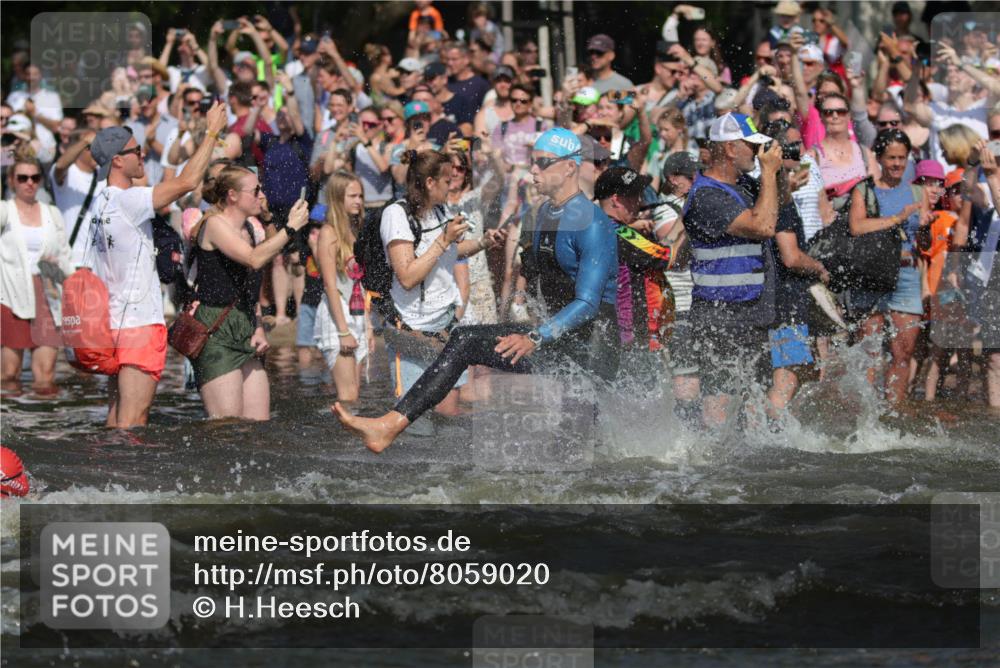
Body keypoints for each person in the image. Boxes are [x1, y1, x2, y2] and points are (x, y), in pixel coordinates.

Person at [332, 129, 617, 452]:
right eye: (532, 162)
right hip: (554, 337)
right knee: (464, 339)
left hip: (592, 347)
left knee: (580, 448)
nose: (533, 170)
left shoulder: (593, 223)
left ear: (569, 168)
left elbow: (588, 303)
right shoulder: (544, 213)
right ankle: (390, 424)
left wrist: (535, 336)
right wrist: (521, 306)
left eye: (542, 163)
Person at [84, 102, 228, 428]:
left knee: (116, 416)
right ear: (117, 160)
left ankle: (105, 474)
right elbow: (188, 181)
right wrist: (212, 132)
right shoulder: (127, 201)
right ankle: (124, 478)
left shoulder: (100, 202)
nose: (143, 154)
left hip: (113, 322)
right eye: (136, 150)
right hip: (138, 324)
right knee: (134, 420)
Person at [374, 150, 504, 417]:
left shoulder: (441, 210)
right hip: (411, 329)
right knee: (411, 418)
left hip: (445, 327)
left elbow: (451, 252)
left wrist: (483, 243)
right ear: (430, 183)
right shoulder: (396, 215)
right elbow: (408, 277)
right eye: (446, 180)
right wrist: (444, 240)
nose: (452, 185)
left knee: (448, 416)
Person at [680, 113, 782, 429]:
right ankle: (709, 467)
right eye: (751, 145)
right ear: (729, 148)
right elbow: (763, 226)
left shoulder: (744, 187)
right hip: (720, 315)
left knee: (752, 402)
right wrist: (768, 173)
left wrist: (776, 172)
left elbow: (776, 211)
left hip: (751, 312)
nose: (757, 152)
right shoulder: (707, 195)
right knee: (719, 403)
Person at [190, 167, 310, 419]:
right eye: (256, 190)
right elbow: (254, 260)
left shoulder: (249, 227)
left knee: (258, 425)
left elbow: (251, 284)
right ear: (232, 195)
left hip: (244, 324)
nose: (262, 195)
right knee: (227, 426)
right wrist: (290, 228)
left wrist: (257, 326)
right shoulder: (214, 224)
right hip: (216, 329)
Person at [848, 129, 928, 405]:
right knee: (869, 350)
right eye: (891, 158)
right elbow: (857, 228)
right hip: (872, 275)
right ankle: (865, 414)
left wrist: (927, 229)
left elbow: (923, 243)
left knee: (903, 352)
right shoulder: (864, 189)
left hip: (907, 273)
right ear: (879, 158)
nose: (897, 164)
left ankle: (894, 414)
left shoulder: (918, 191)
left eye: (902, 158)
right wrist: (897, 218)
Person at [762, 121, 831, 415]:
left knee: (801, 371)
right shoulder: (780, 203)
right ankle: (768, 438)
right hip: (784, 299)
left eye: (799, 145)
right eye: (791, 147)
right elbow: (791, 257)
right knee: (787, 377)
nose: (799, 152)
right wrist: (819, 267)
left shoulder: (773, 195)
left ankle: (765, 429)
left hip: (779, 297)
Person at [1, 153, 74, 394]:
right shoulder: (4, 211)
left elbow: (65, 256)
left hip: (48, 294)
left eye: (34, 177)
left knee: (46, 376)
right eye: (22, 177)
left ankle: (43, 429)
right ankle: (10, 427)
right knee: (8, 374)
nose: (29, 182)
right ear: (12, 180)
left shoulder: (52, 213)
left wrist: (67, 279)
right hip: (10, 293)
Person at [314, 171, 371, 401]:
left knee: (355, 394)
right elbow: (329, 285)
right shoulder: (328, 233)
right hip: (337, 316)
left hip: (357, 313)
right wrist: (343, 331)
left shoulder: (355, 231)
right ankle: (337, 437)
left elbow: (361, 283)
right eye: (352, 196)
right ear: (338, 198)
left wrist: (367, 323)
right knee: (348, 395)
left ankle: (351, 437)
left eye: (361, 196)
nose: (359, 201)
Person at [49, 129, 106, 268]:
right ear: (77, 149)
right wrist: (86, 140)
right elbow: (61, 165)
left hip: (99, 263)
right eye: (92, 147)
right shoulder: (68, 173)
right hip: (72, 261)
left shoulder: (104, 175)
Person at [809, 93, 873, 212]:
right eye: (828, 112)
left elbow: (877, 192)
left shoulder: (865, 153)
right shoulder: (811, 156)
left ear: (849, 116)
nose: (835, 116)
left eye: (841, 111)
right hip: (831, 224)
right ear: (821, 117)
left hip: (863, 223)